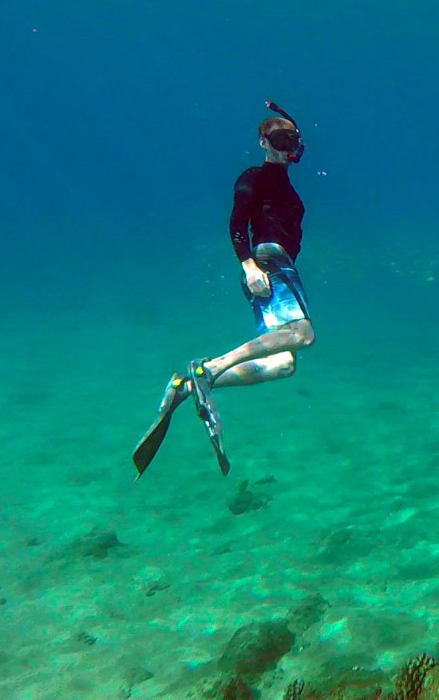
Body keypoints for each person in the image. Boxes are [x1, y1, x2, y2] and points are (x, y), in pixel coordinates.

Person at [133, 101, 314, 478]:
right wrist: (247, 264)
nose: (286, 146)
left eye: (291, 139)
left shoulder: (283, 183)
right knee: (303, 334)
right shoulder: (254, 177)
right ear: (263, 142)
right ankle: (211, 367)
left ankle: (192, 382)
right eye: (278, 139)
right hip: (268, 261)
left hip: (276, 266)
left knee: (283, 364)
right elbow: (237, 223)